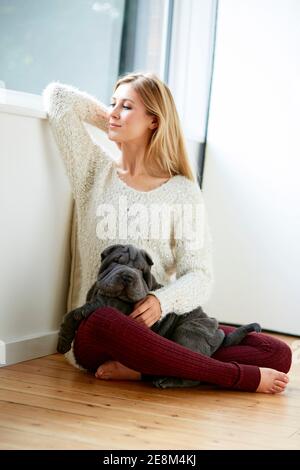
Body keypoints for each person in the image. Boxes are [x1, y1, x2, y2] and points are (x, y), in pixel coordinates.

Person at [43, 72, 291, 394]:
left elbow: (199, 274)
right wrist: (119, 122)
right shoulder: (93, 171)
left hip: (159, 327)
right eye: (112, 103)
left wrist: (161, 301)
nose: (114, 112)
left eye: (127, 106)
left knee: (276, 352)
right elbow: (59, 97)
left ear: (155, 122)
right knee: (106, 319)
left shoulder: (183, 192)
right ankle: (231, 376)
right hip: (98, 331)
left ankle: (143, 371)